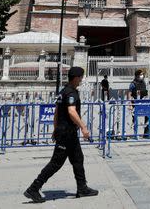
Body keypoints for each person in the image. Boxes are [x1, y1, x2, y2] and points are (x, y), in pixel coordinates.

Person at [24, 67, 98, 202]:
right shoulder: (71, 93)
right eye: (81, 77)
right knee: (56, 163)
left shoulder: (63, 91)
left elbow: (57, 112)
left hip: (66, 132)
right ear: (76, 78)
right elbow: (71, 111)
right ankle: (34, 188)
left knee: (78, 159)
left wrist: (55, 128)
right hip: (67, 133)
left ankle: (82, 188)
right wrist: (83, 127)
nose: (82, 80)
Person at [127, 69, 150, 138]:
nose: (142, 76)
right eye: (140, 74)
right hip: (135, 103)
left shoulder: (143, 82)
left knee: (147, 117)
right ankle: (135, 134)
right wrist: (130, 104)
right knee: (135, 118)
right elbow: (129, 93)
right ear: (137, 76)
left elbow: (145, 92)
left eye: (142, 74)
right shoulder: (133, 83)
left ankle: (146, 134)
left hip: (144, 102)